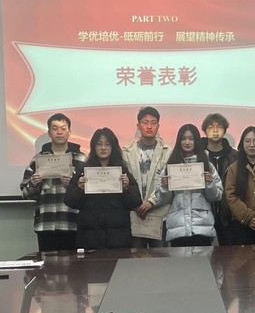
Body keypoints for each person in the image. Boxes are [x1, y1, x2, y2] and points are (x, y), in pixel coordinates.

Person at [20, 113, 87, 252]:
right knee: (47, 265)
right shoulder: (38, 159)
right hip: (46, 223)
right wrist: (34, 183)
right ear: (49, 133)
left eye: (63, 128)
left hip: (72, 222)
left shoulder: (81, 159)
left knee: (74, 265)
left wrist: (73, 187)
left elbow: (90, 192)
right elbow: (25, 193)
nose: (59, 132)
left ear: (70, 132)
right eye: (55, 128)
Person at [64, 127, 142, 249]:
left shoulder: (121, 169)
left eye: (107, 144)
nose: (103, 148)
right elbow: (69, 201)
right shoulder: (83, 169)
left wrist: (127, 189)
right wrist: (79, 190)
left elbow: (136, 202)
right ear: (93, 147)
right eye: (99, 144)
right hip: (90, 238)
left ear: (113, 147)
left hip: (118, 238)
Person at [153, 124, 222, 246]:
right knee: (180, 259)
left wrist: (209, 183)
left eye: (191, 138)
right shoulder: (171, 165)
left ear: (197, 141)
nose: (187, 142)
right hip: (178, 228)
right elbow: (163, 200)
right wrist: (165, 188)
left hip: (202, 227)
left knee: (203, 259)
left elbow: (217, 196)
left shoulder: (206, 164)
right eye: (183, 139)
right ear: (178, 141)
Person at [122, 106, 171, 248]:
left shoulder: (168, 152)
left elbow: (169, 183)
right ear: (138, 126)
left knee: (160, 257)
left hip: (159, 214)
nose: (149, 126)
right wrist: (137, 203)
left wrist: (151, 202)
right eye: (145, 122)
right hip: (135, 213)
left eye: (153, 123)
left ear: (158, 126)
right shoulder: (126, 151)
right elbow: (125, 182)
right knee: (136, 257)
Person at [201, 113, 238, 245]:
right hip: (204, 214)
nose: (215, 130)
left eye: (219, 127)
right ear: (205, 131)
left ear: (225, 130)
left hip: (230, 216)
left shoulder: (235, 156)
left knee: (230, 254)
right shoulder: (198, 156)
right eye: (211, 127)